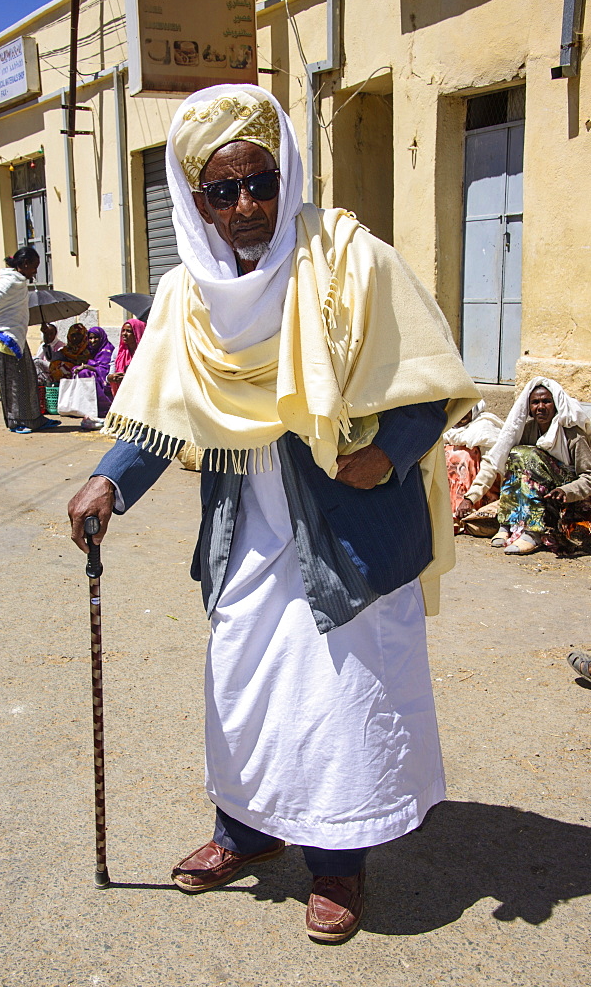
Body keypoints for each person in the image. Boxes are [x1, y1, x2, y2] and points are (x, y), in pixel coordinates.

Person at [68, 85, 478, 944]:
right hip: (244, 534)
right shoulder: (188, 296)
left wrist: (390, 453)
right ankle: (247, 834)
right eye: (224, 191)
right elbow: (163, 416)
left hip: (351, 532)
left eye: (261, 183)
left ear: (285, 174)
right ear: (196, 199)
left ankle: (336, 863)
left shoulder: (349, 261)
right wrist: (109, 479)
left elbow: (430, 384)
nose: (247, 205)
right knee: (244, 691)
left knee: (340, 700)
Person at [457, 378, 591, 554]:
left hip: (566, 499)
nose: (540, 407)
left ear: (556, 404)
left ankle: (533, 532)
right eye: (535, 402)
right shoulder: (527, 430)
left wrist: (567, 490)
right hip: (539, 494)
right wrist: (470, 498)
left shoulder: (573, 435)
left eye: (546, 401)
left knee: (528, 454)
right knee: (515, 454)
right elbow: (495, 461)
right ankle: (508, 525)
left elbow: (588, 477)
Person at [0, 247, 60, 434]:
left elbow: (17, 310)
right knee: (14, 381)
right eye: (34, 267)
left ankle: (34, 419)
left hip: (17, 335)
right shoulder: (9, 283)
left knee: (27, 378)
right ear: (25, 265)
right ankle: (16, 420)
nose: (35, 271)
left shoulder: (19, 283)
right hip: (5, 338)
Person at [443, 401, 502, 530]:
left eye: (466, 408)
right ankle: (447, 513)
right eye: (458, 408)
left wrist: (470, 498)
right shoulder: (447, 430)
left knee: (464, 455)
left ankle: (466, 515)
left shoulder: (485, 427)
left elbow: (490, 467)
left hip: (481, 493)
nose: (462, 413)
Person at [72, 326, 114, 419]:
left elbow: (105, 369)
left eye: (96, 338)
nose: (92, 341)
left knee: (86, 373)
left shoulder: (107, 350)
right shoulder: (91, 350)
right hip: (97, 374)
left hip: (105, 380)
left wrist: (86, 366)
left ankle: (100, 407)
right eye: (90, 338)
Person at [106, 319, 146, 396]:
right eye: (123, 330)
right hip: (122, 394)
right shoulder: (118, 352)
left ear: (137, 333)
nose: (124, 334)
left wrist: (129, 378)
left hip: (141, 394)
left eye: (129, 331)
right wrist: (112, 377)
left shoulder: (145, 353)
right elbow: (110, 375)